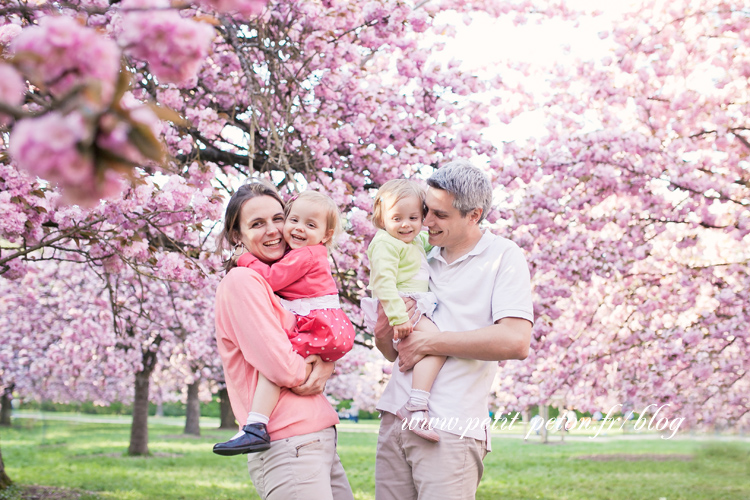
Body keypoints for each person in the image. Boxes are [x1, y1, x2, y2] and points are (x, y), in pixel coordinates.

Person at [373, 160, 534, 500]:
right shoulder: (420, 258)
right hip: (394, 418)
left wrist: (431, 342)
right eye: (426, 210)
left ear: (473, 215)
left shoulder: (503, 257)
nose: (427, 222)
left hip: (452, 427)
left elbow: (516, 341)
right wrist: (383, 330)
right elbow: (392, 352)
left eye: (440, 215)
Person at [213, 181, 354, 500]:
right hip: (287, 441)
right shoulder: (242, 280)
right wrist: (319, 367)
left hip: (314, 437)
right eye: (257, 224)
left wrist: (325, 363)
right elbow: (283, 366)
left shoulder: (285, 282)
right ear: (237, 235)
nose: (275, 230)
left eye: (279, 218)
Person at [361, 179, 444, 442]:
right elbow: (383, 282)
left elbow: (429, 245)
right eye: (397, 218)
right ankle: (416, 406)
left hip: (411, 302)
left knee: (426, 349)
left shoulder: (413, 240)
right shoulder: (385, 242)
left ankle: (416, 404)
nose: (406, 224)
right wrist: (397, 318)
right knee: (436, 344)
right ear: (381, 218)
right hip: (399, 303)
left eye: (413, 217)